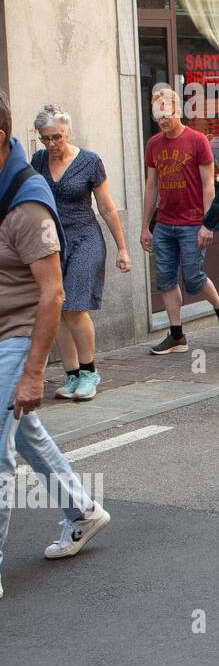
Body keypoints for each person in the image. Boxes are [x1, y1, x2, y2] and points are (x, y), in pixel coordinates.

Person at [1, 90, 111, 601]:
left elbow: (52, 293)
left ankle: (82, 370)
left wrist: (31, 373)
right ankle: (83, 509)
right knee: (25, 434)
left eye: (57, 134)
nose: (51, 141)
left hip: (20, 330)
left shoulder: (27, 199)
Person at [30, 106, 131, 400]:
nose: (51, 144)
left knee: (74, 306)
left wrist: (122, 248)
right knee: (56, 308)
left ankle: (89, 372)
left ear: (68, 132)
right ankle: (72, 375)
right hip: (50, 242)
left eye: (56, 137)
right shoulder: (37, 161)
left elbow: (107, 207)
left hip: (85, 237)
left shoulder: (89, 161)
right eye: (45, 138)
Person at [140, 87, 219, 355]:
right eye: (157, 115)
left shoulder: (197, 141)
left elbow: (209, 185)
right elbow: (151, 186)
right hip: (165, 223)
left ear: (177, 110)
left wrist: (208, 223)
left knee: (193, 277)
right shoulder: (153, 144)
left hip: (192, 221)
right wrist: (145, 225)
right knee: (166, 279)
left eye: (166, 114)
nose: (162, 120)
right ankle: (177, 334)